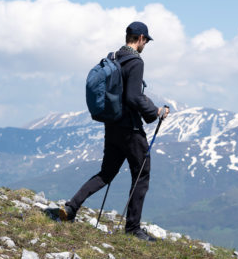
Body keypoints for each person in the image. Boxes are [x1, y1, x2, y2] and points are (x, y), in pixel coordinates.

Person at [58, 21, 169, 241]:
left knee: (106, 173)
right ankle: (133, 228)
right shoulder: (136, 62)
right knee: (141, 174)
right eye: (145, 40)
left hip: (112, 125)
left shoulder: (114, 57)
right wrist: (156, 111)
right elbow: (133, 97)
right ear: (140, 38)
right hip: (130, 129)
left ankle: (71, 207)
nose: (145, 44)